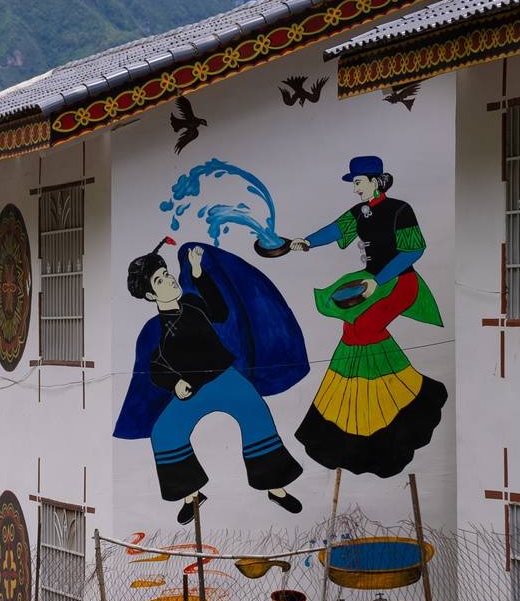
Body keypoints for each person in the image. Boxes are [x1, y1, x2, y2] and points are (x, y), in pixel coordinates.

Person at [117, 240, 304, 524]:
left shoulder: (193, 304)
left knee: (256, 413)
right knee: (164, 432)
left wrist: (198, 273)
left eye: (166, 274)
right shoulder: (156, 330)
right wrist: (175, 384)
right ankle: (191, 496)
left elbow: (220, 311)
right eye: (159, 280)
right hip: (192, 391)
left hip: (224, 378)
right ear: (150, 294)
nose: (169, 280)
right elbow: (155, 368)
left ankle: (275, 488)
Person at [288, 155, 446, 477]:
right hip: (370, 281)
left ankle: (414, 400)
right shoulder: (360, 212)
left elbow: (414, 250)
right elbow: (337, 229)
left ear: (375, 181)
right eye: (354, 183)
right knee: (352, 329)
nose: (355, 188)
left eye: (358, 182)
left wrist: (379, 280)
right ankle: (344, 412)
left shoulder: (400, 210)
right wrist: (306, 242)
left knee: (363, 327)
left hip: (399, 281)